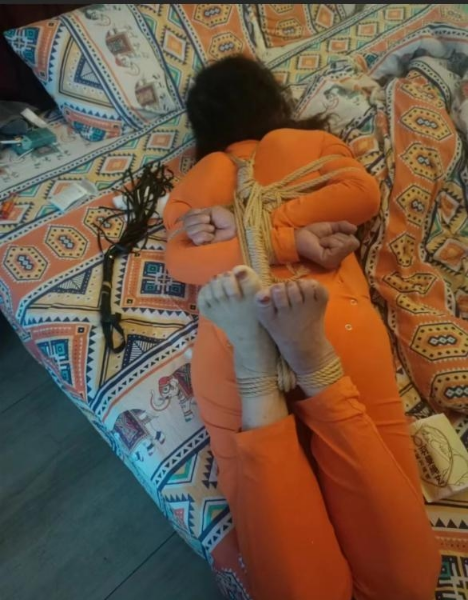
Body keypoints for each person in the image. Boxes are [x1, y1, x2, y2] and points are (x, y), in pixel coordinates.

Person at [163, 56, 441, 600]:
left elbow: (181, 263)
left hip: (232, 316)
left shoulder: (199, 177)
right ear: (273, 102)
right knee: (404, 583)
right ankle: (316, 368)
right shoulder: (306, 143)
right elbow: (362, 195)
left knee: (389, 586)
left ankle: (256, 374)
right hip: (327, 311)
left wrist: (254, 230)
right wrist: (296, 239)